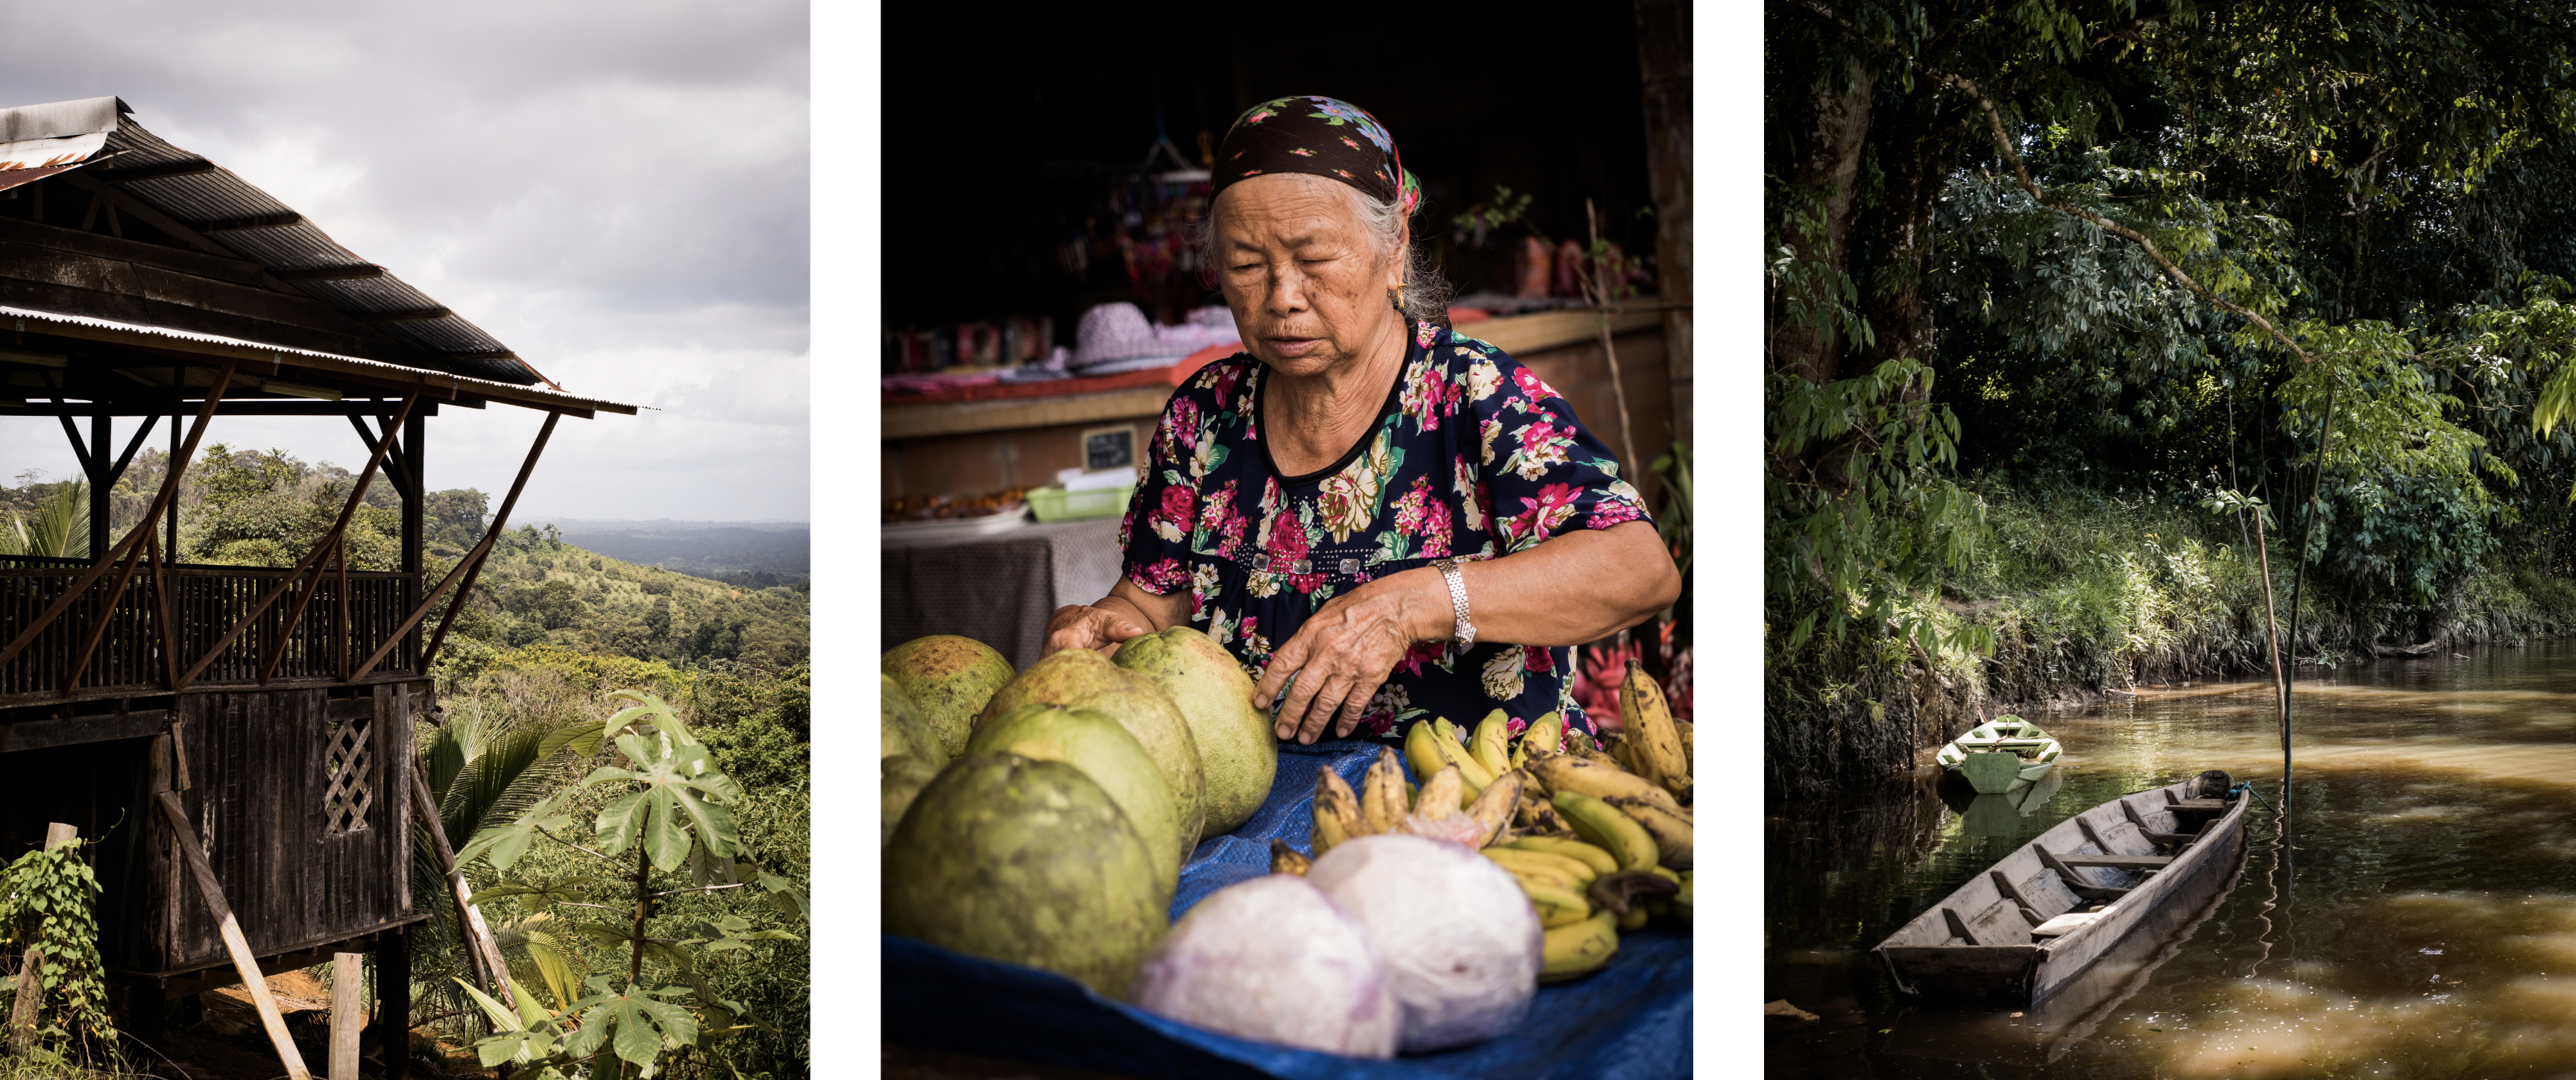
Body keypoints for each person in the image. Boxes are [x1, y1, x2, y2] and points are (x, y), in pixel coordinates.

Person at [1045, 95, 1680, 748]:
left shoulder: (1475, 395)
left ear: (1393, 246)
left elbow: (1638, 569)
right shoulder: (1204, 415)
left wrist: (1414, 604)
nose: (1283, 296)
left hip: (1480, 793)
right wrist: (1104, 626)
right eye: (1245, 265)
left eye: (1313, 259)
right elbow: (1152, 599)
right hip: (1255, 809)